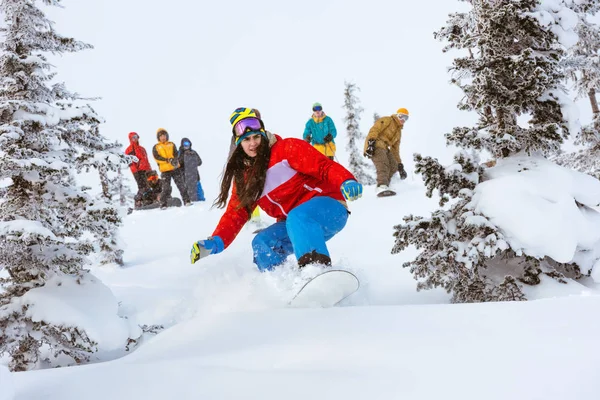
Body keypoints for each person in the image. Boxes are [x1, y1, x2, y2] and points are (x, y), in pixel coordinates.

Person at [190, 107, 363, 270]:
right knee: (262, 242)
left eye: (256, 137)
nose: (253, 144)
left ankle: (316, 272)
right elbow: (236, 213)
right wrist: (216, 241)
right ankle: (282, 286)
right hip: (295, 226)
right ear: (238, 143)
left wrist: (345, 180)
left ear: (263, 134)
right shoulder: (245, 179)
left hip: (330, 208)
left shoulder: (286, 149)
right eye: (246, 140)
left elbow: (322, 166)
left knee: (298, 217)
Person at [363, 108, 409, 196]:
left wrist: (400, 164)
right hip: (375, 144)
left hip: (384, 147)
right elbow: (375, 129)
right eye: (401, 116)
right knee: (382, 162)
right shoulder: (388, 120)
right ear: (397, 115)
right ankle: (381, 185)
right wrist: (371, 142)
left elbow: (395, 150)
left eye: (406, 118)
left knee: (393, 165)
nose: (403, 120)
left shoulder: (398, 132)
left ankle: (387, 185)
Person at [152, 128, 191, 209]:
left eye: (164, 135)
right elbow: (157, 158)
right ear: (158, 137)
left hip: (175, 169)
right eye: (161, 136)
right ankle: (163, 204)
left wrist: (175, 160)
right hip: (165, 171)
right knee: (166, 188)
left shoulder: (171, 144)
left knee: (181, 185)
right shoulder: (156, 147)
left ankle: (187, 201)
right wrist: (167, 160)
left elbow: (176, 154)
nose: (163, 137)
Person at [124, 132, 152, 201]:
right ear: (130, 139)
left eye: (136, 137)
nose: (135, 138)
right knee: (142, 187)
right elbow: (130, 163)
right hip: (138, 171)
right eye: (133, 137)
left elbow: (146, 160)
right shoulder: (128, 150)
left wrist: (150, 169)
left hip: (147, 170)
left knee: (150, 185)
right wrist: (135, 172)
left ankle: (150, 200)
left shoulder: (142, 149)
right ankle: (138, 201)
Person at [178, 137, 205, 202]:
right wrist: (185, 157)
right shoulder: (180, 153)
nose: (186, 145)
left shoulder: (193, 152)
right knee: (190, 193)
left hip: (195, 176)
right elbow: (179, 164)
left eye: (188, 143)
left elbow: (199, 162)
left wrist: (192, 158)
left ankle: (202, 201)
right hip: (186, 177)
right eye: (184, 144)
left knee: (199, 192)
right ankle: (191, 201)